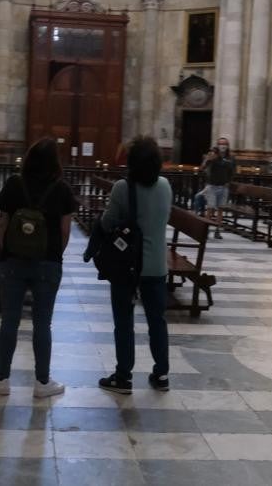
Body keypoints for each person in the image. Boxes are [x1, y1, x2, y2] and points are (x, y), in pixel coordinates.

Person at [0, 137, 76, 399]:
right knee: (42, 323)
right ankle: (42, 382)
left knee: (10, 320)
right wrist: (53, 256)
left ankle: (3, 379)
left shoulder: (14, 183)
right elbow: (64, 231)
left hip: (13, 262)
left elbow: (3, 223)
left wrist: (5, 253)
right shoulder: (61, 188)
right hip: (47, 264)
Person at [98, 137, 174, 395]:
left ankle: (123, 376)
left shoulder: (122, 188)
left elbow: (108, 223)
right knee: (157, 321)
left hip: (128, 266)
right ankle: (161, 374)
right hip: (157, 266)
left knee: (124, 321)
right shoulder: (165, 186)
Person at [201, 137, 236, 239]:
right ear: (217, 145)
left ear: (227, 145)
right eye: (221, 144)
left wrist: (229, 182)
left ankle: (217, 230)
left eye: (224, 144)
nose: (223, 146)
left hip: (223, 187)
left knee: (221, 209)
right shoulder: (213, 156)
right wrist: (208, 159)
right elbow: (203, 168)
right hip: (212, 186)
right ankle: (205, 230)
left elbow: (233, 172)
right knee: (210, 208)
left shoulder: (231, 158)